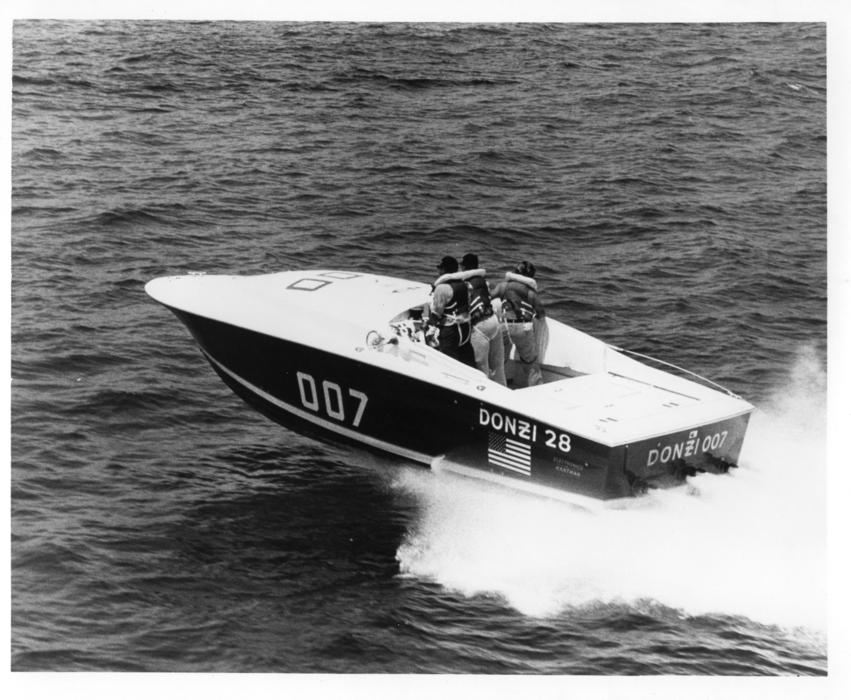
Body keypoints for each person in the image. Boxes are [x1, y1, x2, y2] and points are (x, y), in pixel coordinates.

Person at [490, 261, 546, 388]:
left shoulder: (503, 286)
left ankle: (495, 388)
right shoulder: (531, 293)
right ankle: (537, 390)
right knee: (530, 363)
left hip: (504, 326)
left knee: (500, 361)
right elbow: (541, 313)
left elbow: (489, 297)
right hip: (523, 329)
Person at [460, 253, 506, 386]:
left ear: (464, 267)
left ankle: (485, 394)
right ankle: (503, 392)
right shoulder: (483, 281)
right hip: (493, 321)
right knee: (498, 366)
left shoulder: (465, 284)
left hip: (480, 327)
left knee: (481, 368)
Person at [424, 256, 476, 367]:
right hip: (465, 329)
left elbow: (436, 313)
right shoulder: (466, 285)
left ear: (443, 269)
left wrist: (427, 327)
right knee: (468, 363)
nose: (438, 270)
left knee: (448, 364)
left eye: (439, 268)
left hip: (451, 332)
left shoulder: (442, 288)